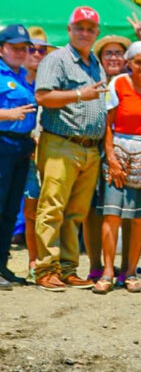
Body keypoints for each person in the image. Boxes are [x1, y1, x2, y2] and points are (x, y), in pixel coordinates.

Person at [34, 6, 108, 291]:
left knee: (75, 213)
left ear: (96, 33)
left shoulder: (95, 64)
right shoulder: (57, 59)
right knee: (52, 207)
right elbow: (42, 96)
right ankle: (45, 269)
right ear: (69, 30)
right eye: (80, 27)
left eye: (90, 29)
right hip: (62, 144)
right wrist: (79, 94)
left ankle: (66, 268)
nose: (85, 33)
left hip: (89, 148)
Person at [93, 41, 141, 294]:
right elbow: (107, 124)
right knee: (112, 214)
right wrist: (111, 157)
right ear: (129, 63)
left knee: (140, 218)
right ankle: (108, 272)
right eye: (138, 62)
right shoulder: (119, 84)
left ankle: (131, 272)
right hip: (120, 151)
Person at [83, 34, 132, 282]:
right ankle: (94, 265)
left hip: (123, 154)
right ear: (101, 58)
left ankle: (125, 268)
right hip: (92, 151)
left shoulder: (132, 83)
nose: (113, 57)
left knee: (122, 211)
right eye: (108, 53)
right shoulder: (93, 81)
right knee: (92, 210)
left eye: (118, 53)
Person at [0, 24, 36, 289]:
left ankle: (2, 265)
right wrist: (7, 115)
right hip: (3, 144)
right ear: (2, 49)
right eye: (15, 47)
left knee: (11, 211)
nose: (21, 52)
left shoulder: (22, 75)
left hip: (22, 147)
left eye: (25, 48)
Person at [20, 26, 53, 281]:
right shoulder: (15, 79)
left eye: (42, 50)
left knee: (51, 209)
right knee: (30, 210)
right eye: (31, 49)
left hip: (49, 151)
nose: (37, 54)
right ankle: (33, 259)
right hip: (22, 152)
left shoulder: (52, 81)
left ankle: (47, 260)